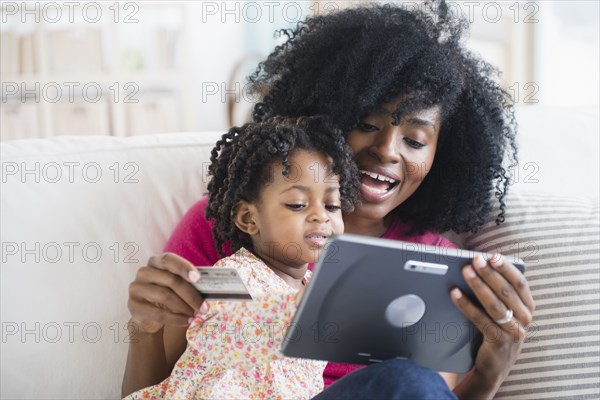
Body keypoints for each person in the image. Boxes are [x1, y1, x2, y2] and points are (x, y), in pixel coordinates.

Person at [122, 1, 535, 398]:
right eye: (366, 123)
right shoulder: (228, 224)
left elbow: (425, 394)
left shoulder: (435, 264)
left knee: (408, 381)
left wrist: (490, 370)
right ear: (326, 116)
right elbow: (161, 390)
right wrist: (145, 328)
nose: (389, 150)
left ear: (442, 157)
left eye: (414, 139)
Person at [124, 116, 360, 399]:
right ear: (249, 218)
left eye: (332, 205)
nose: (321, 216)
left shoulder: (316, 289)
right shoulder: (232, 276)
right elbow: (227, 321)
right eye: (297, 204)